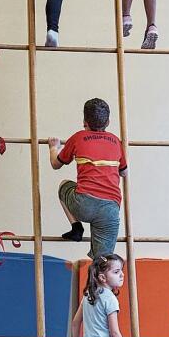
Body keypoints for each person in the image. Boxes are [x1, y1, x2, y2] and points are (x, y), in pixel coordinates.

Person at [48, 98, 126, 260]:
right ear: (109, 122)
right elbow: (124, 173)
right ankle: (99, 283)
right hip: (110, 210)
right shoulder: (116, 141)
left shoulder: (78, 137)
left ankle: (76, 227)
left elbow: (56, 164)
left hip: (83, 204)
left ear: (84, 122)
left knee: (64, 185)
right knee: (103, 262)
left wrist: (53, 147)